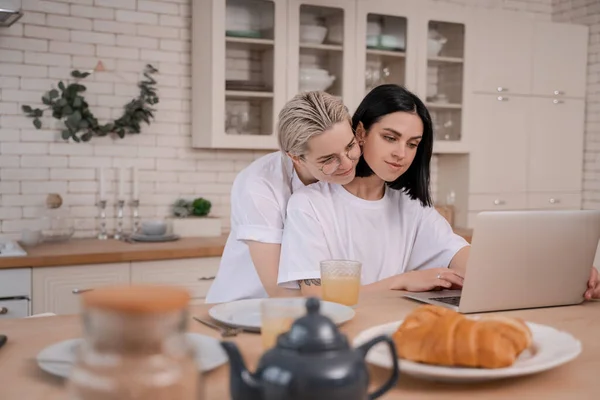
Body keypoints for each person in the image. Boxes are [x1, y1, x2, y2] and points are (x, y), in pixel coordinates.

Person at [277, 84, 470, 295]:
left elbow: (463, 260)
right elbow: (315, 296)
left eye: (412, 144)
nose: (401, 153)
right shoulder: (309, 204)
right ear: (360, 133)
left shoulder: (411, 206)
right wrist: (401, 281)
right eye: (390, 138)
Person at [205, 91, 362, 303]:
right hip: (245, 309)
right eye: (329, 159)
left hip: (313, 309)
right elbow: (280, 292)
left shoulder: (343, 176)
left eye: (350, 146)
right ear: (296, 158)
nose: (347, 163)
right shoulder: (259, 187)